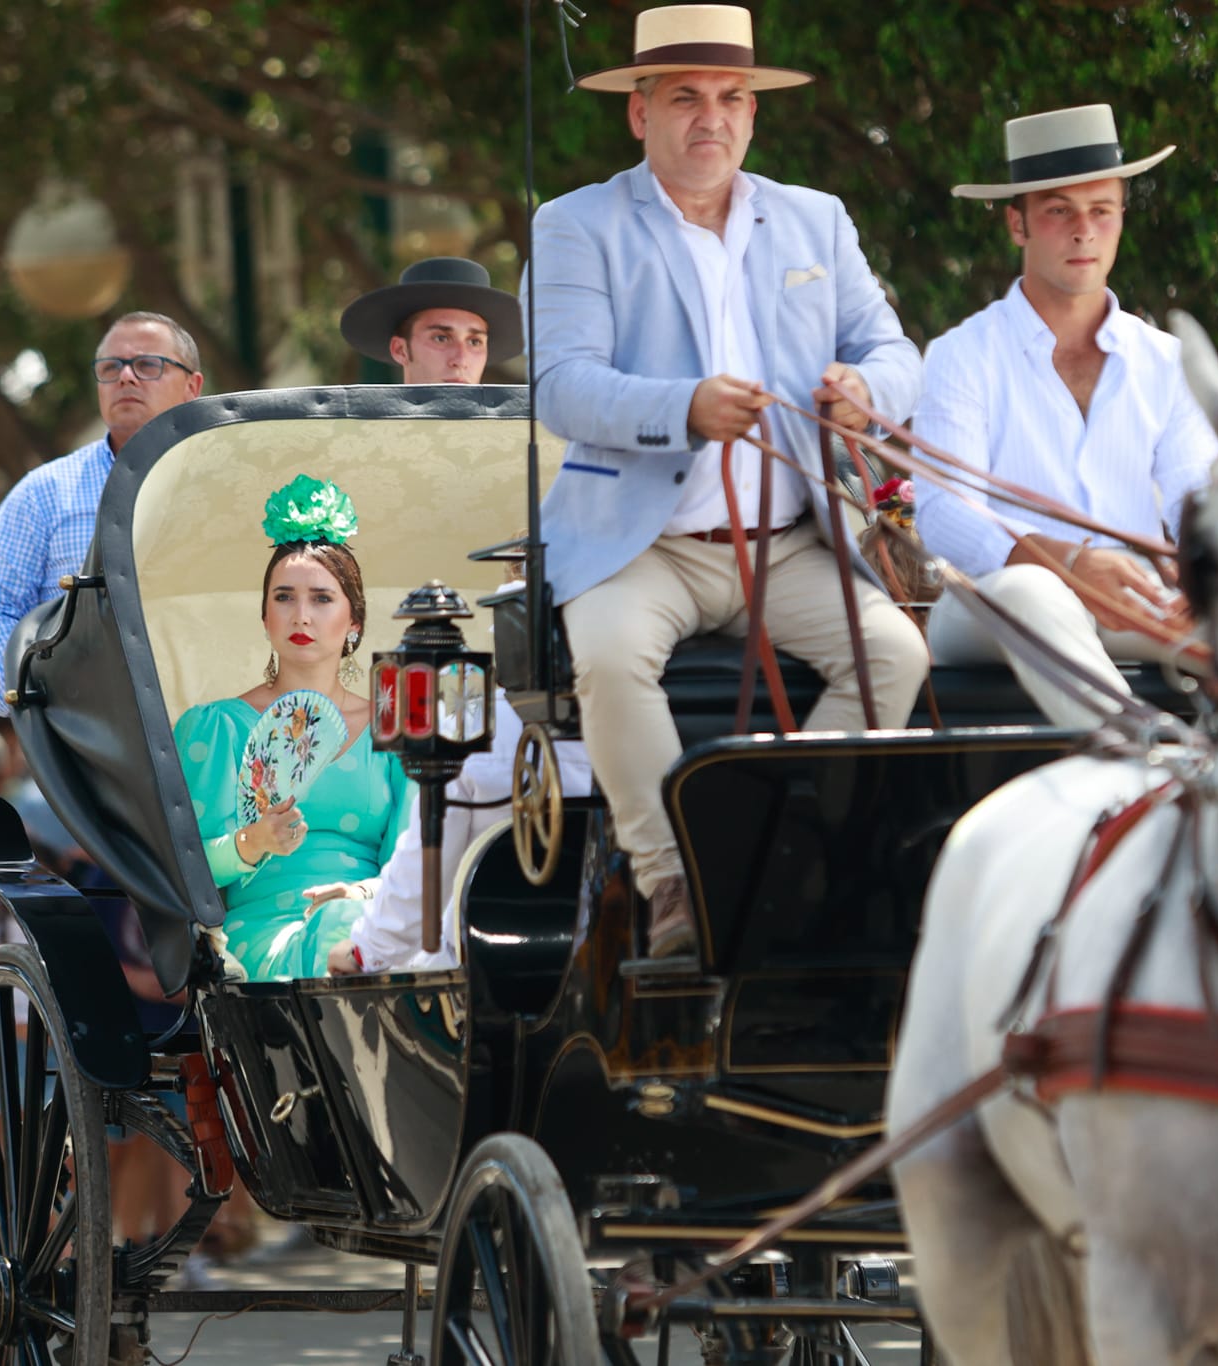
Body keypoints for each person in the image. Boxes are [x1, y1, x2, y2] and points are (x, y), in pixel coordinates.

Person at [526, 4, 928, 958]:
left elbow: (896, 350)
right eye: (685, 98)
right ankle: (674, 886)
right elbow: (560, 386)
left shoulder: (815, 220)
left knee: (897, 655)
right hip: (642, 545)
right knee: (611, 660)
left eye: (732, 97)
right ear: (640, 113)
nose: (712, 117)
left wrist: (865, 388)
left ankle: (788, 865)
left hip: (787, 543)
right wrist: (684, 406)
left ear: (753, 114)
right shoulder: (576, 225)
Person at [913, 104, 1218, 728]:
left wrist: (1205, 573)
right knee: (1035, 592)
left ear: (1121, 219)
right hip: (994, 605)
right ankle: (1142, 757)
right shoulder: (960, 356)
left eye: (1101, 211)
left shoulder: (1164, 361)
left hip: (1136, 604)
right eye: (1059, 211)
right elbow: (945, 516)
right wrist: (1073, 566)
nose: (1084, 231)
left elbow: (1202, 497)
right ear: (1016, 224)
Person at [171, 476, 411, 981]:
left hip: (373, 916)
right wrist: (253, 841)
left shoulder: (394, 729)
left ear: (354, 623)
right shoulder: (219, 728)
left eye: (322, 599)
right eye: (284, 597)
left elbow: (416, 856)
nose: (301, 614)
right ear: (264, 616)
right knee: (343, 930)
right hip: (264, 932)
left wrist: (360, 894)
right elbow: (182, 870)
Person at [0, 311, 205, 717]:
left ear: (192, 387)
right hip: (88, 739)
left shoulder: (227, 483)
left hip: (216, 728)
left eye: (148, 365)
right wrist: (37, 699)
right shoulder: (43, 495)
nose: (126, 377)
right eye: (110, 368)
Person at [328, 692, 594, 975]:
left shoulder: (474, 721)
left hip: (481, 970)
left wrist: (365, 952)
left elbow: (426, 873)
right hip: (606, 963)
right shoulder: (641, 719)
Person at [338, 257, 524, 384]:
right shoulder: (363, 436)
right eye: (441, 338)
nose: (460, 360)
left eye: (475, 342)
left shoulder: (517, 438)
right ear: (400, 350)